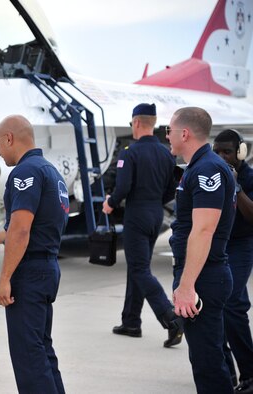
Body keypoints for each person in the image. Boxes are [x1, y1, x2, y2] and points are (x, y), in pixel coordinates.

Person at [0, 114, 69, 394]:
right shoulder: (51, 172)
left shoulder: (24, 172)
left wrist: (5, 277)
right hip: (47, 268)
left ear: (9, 138)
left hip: (29, 274)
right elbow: (29, 228)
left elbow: (21, 231)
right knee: (42, 350)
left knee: (28, 357)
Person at [167, 107, 236, 394]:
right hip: (203, 275)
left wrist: (186, 285)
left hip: (204, 278)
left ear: (185, 133)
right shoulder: (198, 167)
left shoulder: (207, 169)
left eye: (169, 130)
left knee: (208, 364)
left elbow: (204, 230)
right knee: (208, 357)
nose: (167, 136)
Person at [102, 103, 182, 347]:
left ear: (136, 122)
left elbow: (123, 187)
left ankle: (170, 318)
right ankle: (131, 322)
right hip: (155, 214)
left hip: (136, 215)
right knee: (138, 266)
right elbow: (172, 188)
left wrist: (110, 203)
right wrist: (155, 201)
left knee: (139, 269)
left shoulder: (130, 152)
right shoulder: (166, 153)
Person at [212, 129, 253, 393]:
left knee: (232, 303)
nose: (222, 157)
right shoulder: (212, 173)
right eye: (217, 152)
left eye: (227, 152)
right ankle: (225, 370)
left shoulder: (248, 176)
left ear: (240, 152)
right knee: (219, 304)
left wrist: (236, 186)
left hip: (241, 243)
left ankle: (249, 373)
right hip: (219, 243)